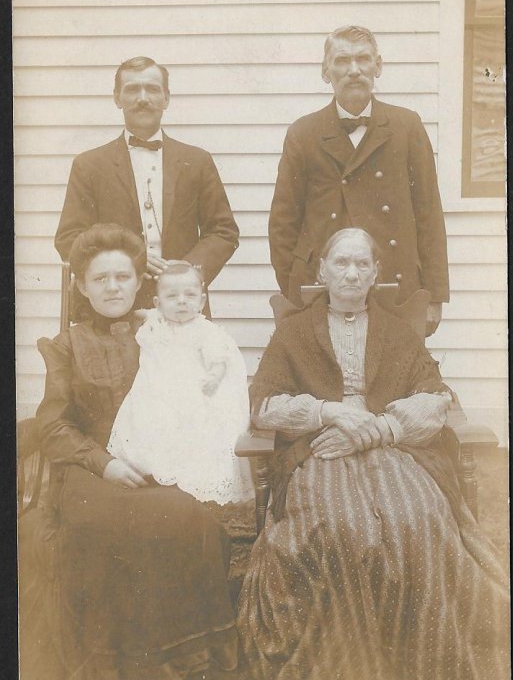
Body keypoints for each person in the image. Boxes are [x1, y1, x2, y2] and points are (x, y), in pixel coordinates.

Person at [237, 229, 509, 680]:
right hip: (319, 451)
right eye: (341, 263)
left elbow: (435, 396)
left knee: (417, 522)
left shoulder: (398, 332)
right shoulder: (294, 332)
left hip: (391, 448)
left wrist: (376, 430)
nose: (352, 274)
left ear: (376, 273)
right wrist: (329, 412)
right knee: (340, 528)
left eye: (363, 264)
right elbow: (263, 403)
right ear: (322, 272)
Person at [35, 224, 240, 680]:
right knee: (102, 526)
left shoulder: (161, 335)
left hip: (160, 458)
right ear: (81, 286)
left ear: (137, 284)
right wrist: (103, 462)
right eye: (99, 278)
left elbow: (202, 396)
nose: (112, 288)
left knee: (185, 517)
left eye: (122, 277)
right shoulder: (65, 345)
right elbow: (53, 425)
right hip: (91, 468)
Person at [268, 25, 448, 336]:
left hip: (395, 279)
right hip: (320, 283)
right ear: (326, 71)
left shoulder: (407, 126)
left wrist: (434, 294)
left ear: (378, 66)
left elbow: (429, 214)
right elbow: (283, 221)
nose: (354, 70)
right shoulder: (303, 132)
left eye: (363, 59)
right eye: (342, 61)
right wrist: (293, 286)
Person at [55, 56, 239, 308]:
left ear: (166, 98)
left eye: (152, 89)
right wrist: (126, 262)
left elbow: (223, 232)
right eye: (132, 89)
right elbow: (69, 238)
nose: (143, 98)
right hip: (113, 307)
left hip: (181, 303)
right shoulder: (89, 165)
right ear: (117, 98)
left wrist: (186, 270)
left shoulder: (197, 161)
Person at [107, 261, 254, 502]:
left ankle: (187, 480)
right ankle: (156, 472)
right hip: (157, 388)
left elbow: (219, 359)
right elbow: (142, 314)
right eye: (172, 296)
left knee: (193, 431)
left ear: (202, 301)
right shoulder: (157, 321)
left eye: (190, 295)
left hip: (192, 390)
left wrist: (214, 378)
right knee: (149, 423)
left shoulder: (205, 331)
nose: (182, 301)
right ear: (158, 302)